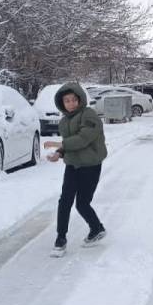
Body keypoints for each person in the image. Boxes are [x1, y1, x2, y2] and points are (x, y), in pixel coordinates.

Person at [48, 82, 108, 256]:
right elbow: (69, 145)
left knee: (82, 203)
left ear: (80, 99)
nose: (71, 103)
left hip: (90, 166)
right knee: (64, 201)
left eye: (74, 100)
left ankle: (96, 228)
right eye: (67, 101)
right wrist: (59, 153)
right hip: (73, 165)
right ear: (62, 103)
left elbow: (83, 139)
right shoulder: (64, 121)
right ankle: (60, 239)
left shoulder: (89, 116)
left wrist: (61, 145)